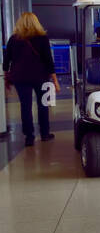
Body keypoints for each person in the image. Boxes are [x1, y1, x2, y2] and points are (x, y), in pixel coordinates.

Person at [3, 11, 58, 146]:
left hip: (20, 78)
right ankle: (45, 134)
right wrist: (55, 81)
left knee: (25, 107)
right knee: (43, 105)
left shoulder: (13, 39)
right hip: (41, 77)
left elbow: (6, 62)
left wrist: (6, 78)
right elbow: (48, 61)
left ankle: (29, 137)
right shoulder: (42, 38)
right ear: (36, 22)